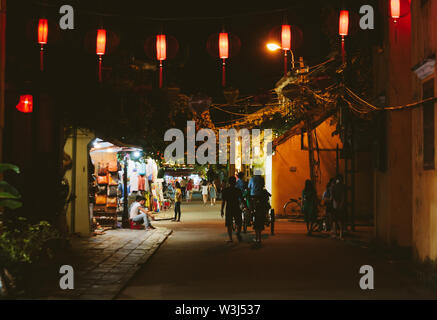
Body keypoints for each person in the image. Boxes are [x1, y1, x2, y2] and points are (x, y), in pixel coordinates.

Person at [221, 176, 243, 243]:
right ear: (235, 182)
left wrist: (221, 210)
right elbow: (242, 199)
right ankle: (238, 233)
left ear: (229, 182)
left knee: (229, 224)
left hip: (229, 208)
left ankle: (230, 239)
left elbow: (223, 201)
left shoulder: (225, 191)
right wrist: (246, 207)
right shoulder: (238, 190)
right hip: (236, 207)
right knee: (239, 222)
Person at [332, 175, 346, 239]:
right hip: (341, 205)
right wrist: (341, 204)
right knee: (341, 219)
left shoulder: (334, 186)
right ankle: (341, 233)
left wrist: (336, 203)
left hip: (335, 205)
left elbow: (333, 197)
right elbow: (343, 196)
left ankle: (335, 233)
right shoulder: (343, 186)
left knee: (335, 219)